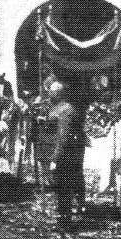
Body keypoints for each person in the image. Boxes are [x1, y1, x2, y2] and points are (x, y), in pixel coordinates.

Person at [46, 82, 87, 229]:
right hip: (66, 154)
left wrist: (55, 159)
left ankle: (65, 221)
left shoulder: (65, 110)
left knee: (64, 189)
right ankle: (64, 219)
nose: (49, 95)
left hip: (65, 156)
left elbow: (62, 137)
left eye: (51, 92)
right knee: (62, 189)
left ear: (57, 93)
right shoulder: (61, 108)